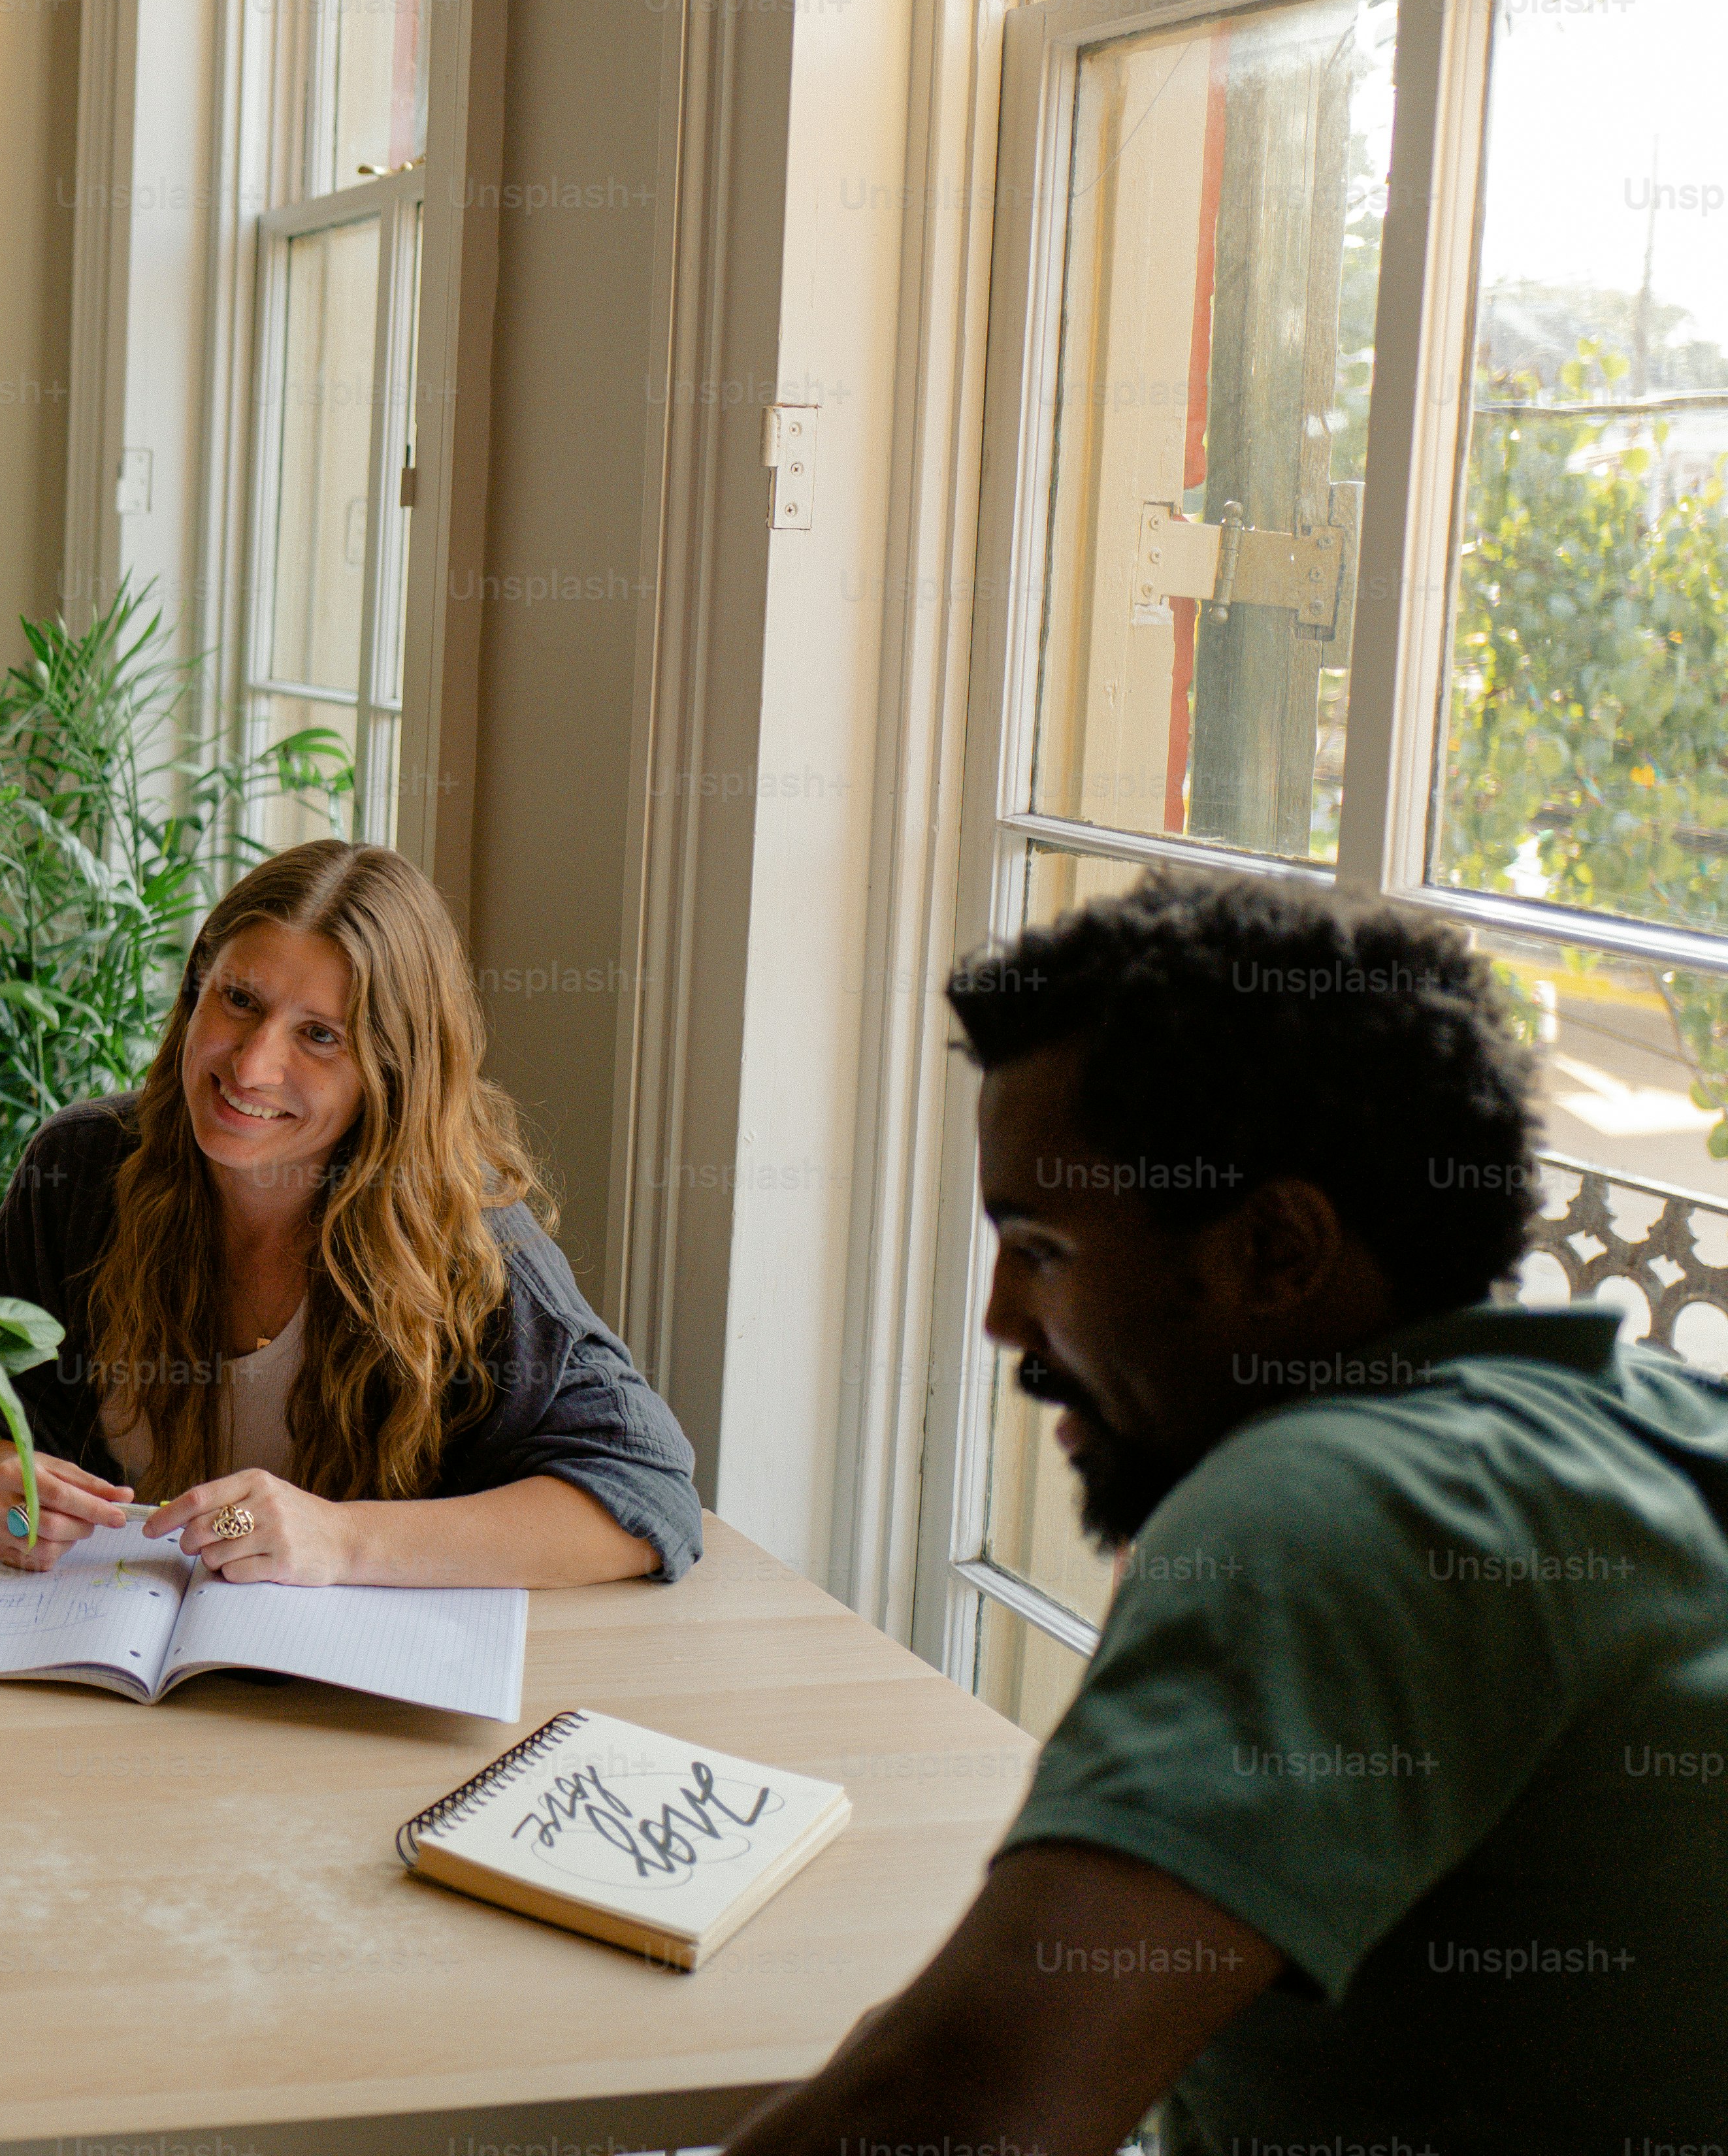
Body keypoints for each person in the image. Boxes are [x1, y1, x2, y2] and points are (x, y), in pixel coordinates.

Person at [723, 870, 1728, 2156]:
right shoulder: (1642, 1423)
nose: (1002, 1320)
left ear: (1277, 1250)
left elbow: (953, 2113)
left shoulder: (1349, 1503)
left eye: (1041, 1248)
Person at [0, 838, 699, 1588]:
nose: (253, 1064)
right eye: (239, 1000)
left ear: (391, 1073)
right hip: (98, 1668)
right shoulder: (80, 1169)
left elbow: (648, 1490)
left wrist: (343, 1538)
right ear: (196, 993)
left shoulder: (466, 1239)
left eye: (320, 1035)